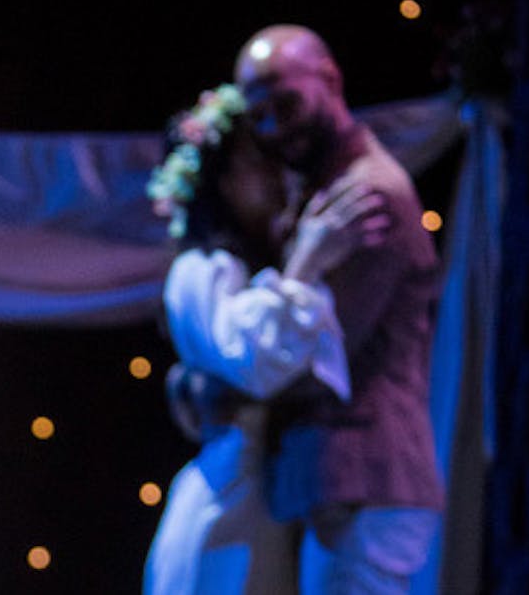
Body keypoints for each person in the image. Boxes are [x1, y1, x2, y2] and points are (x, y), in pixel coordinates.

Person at [141, 83, 389, 594]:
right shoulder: (200, 270)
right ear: (223, 180)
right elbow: (254, 360)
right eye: (259, 163)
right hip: (228, 513)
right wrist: (305, 267)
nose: (278, 176)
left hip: (269, 507)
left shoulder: (254, 266)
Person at [235, 24, 444, 592]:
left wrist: (228, 385)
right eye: (259, 116)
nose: (275, 126)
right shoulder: (326, 189)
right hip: (343, 485)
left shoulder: (367, 194)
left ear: (329, 80)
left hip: (369, 482)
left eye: (286, 103)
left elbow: (318, 355)